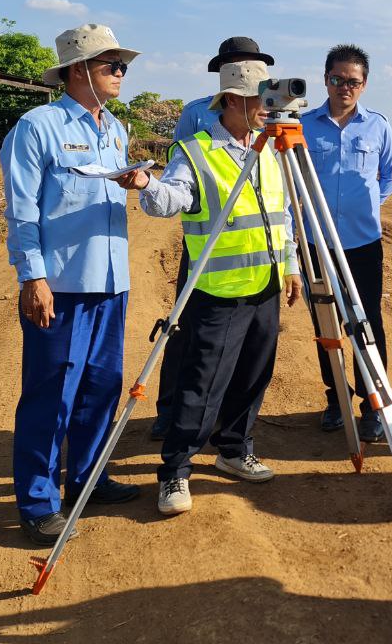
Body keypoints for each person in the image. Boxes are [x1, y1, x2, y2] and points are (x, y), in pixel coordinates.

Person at [133, 60, 304, 515]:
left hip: (264, 283)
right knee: (202, 384)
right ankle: (175, 471)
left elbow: (282, 215)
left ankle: (234, 448)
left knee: (254, 374)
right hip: (217, 288)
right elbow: (171, 201)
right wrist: (147, 183)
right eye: (258, 101)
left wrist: (289, 267)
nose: (269, 109)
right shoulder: (195, 151)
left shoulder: (270, 150)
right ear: (230, 101)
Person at [0, 23, 144, 546]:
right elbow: (21, 210)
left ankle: (89, 479)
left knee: (100, 388)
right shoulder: (37, 127)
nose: (122, 73)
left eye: (123, 64)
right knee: (50, 394)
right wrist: (32, 275)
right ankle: (38, 502)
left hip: (111, 280)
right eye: (112, 65)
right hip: (60, 284)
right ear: (79, 69)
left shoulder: (116, 130)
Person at [151, 36, 276, 440]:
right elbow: (184, 173)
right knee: (191, 338)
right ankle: (170, 414)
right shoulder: (194, 116)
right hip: (209, 248)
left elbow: (280, 205)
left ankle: (231, 431)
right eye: (238, 66)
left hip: (258, 256)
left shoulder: (271, 132)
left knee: (252, 349)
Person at [300, 44, 392, 442]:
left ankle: (373, 403)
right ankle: (335, 398)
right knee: (326, 325)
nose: (345, 87)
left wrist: (367, 207)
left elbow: (390, 176)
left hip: (362, 244)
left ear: (364, 84)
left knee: (368, 323)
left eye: (353, 82)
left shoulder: (378, 127)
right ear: (326, 79)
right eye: (338, 80)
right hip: (315, 244)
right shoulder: (304, 126)